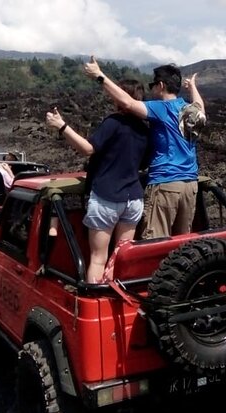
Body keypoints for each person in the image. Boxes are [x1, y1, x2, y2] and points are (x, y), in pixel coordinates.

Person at [83, 56, 205, 239]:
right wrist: (192, 87)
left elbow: (128, 103)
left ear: (161, 85)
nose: (151, 89)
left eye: (152, 85)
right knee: (182, 242)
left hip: (166, 182)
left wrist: (99, 76)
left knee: (155, 243)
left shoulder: (161, 108)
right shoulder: (189, 110)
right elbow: (200, 108)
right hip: (190, 184)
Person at [45, 79, 150, 283]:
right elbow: (144, 163)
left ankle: (96, 301)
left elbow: (87, 149)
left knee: (98, 259)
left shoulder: (113, 123)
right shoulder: (145, 129)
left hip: (107, 197)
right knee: (120, 258)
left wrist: (62, 126)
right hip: (134, 199)